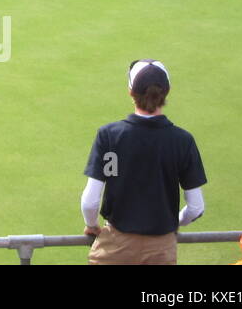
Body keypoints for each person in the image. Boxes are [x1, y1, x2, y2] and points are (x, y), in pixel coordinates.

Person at [81, 60, 207, 265]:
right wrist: (173, 223)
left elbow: (90, 201)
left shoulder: (109, 136)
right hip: (161, 249)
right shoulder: (183, 141)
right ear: (167, 92)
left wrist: (92, 225)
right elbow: (196, 207)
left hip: (115, 246)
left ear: (131, 92)